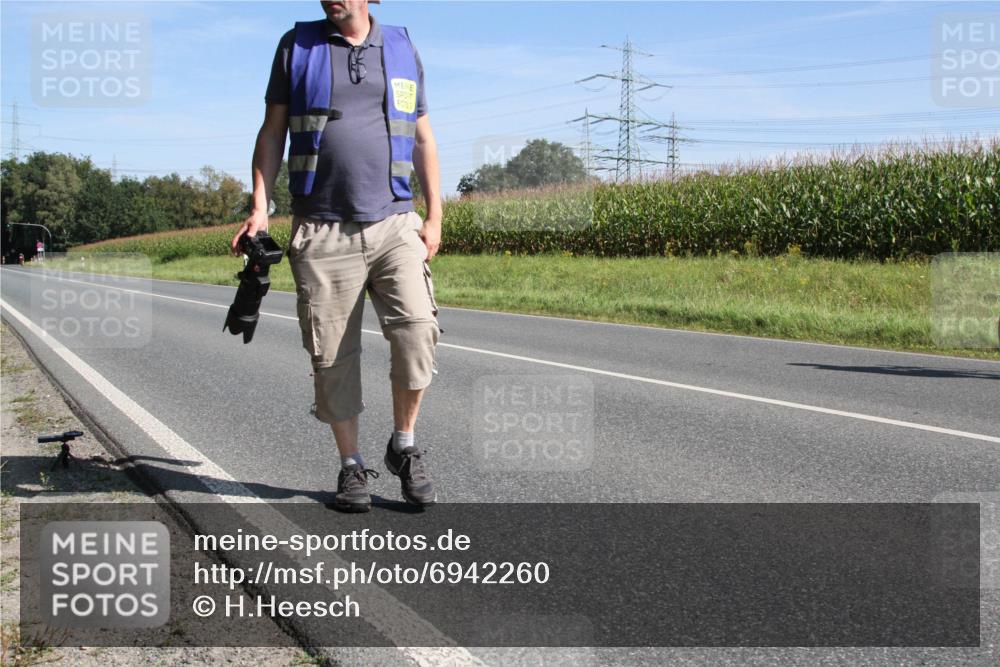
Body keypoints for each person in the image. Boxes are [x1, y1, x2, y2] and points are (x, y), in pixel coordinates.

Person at [231, 0, 443, 512]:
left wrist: (435, 216)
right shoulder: (296, 45)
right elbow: (272, 132)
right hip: (322, 226)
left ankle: (404, 446)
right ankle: (352, 467)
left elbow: (422, 136)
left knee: (416, 329)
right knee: (331, 357)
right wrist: (261, 206)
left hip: (394, 221)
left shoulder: (401, 44)